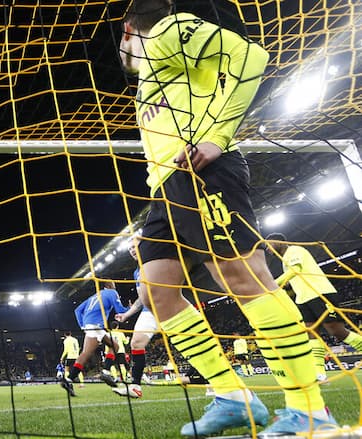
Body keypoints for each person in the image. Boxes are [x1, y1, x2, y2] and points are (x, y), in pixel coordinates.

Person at [120, 0, 335, 435]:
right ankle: (235, 398)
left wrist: (216, 137)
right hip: (167, 185)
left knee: (243, 277)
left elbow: (251, 55)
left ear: (127, 31)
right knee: (157, 290)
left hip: (203, 170)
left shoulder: (165, 31)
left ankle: (310, 411)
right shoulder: (149, 77)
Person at [266, 233, 362, 381]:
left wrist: (273, 285)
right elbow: (295, 279)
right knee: (311, 334)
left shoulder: (294, 251)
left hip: (319, 293)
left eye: (269, 244)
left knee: (336, 331)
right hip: (303, 298)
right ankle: (320, 374)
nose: (267, 249)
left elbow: (295, 271)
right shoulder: (284, 259)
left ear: (278, 242)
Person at [61, 281, 129, 396]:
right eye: (113, 284)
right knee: (89, 353)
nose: (115, 286)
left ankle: (69, 379)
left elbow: (77, 310)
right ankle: (104, 372)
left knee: (112, 346)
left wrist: (83, 325)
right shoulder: (112, 292)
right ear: (109, 286)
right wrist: (130, 308)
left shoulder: (95, 296)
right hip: (96, 325)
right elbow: (120, 310)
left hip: (91, 325)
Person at [114, 235, 159, 398]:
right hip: (149, 311)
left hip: (168, 307)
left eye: (135, 246)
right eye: (130, 249)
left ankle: (213, 381)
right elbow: (142, 299)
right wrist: (126, 314)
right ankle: (135, 387)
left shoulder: (155, 262)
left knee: (189, 343)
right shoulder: (137, 272)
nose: (132, 250)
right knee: (136, 343)